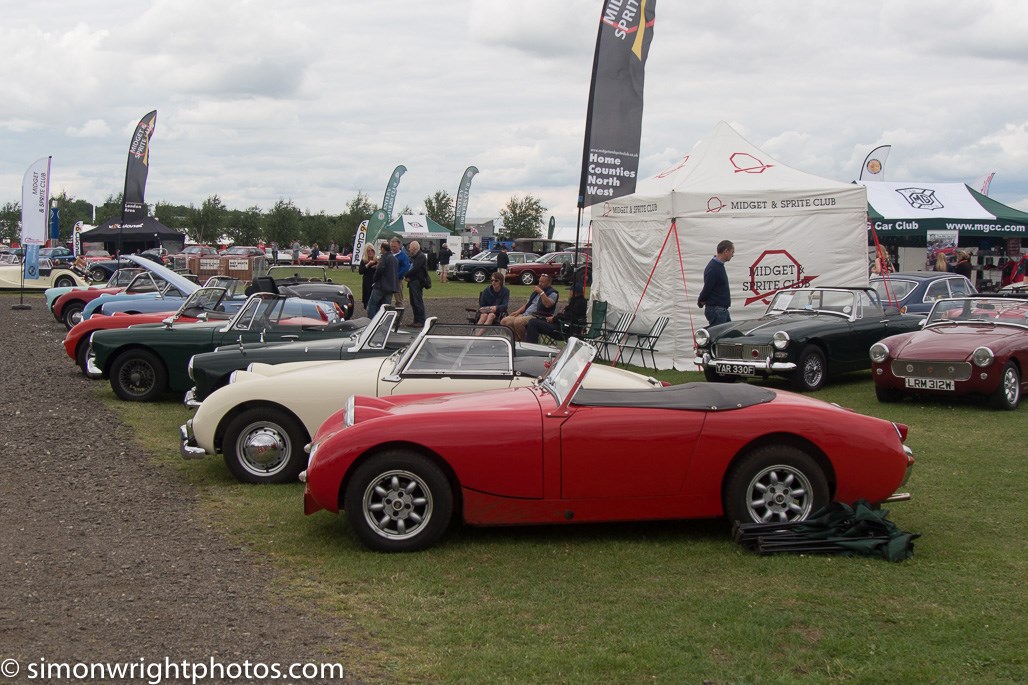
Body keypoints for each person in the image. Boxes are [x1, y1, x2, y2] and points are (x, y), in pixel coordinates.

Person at [501, 273, 558, 341]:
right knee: (504, 321)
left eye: (542, 282)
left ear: (549, 283)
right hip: (526, 314)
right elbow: (528, 304)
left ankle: (525, 342)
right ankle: (516, 340)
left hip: (539, 316)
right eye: (539, 281)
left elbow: (547, 304)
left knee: (518, 322)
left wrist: (541, 293)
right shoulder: (536, 292)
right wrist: (517, 312)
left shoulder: (553, 293)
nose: (540, 283)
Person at [697, 240, 734, 326]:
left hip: (720, 310)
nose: (732, 255)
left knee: (729, 332)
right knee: (721, 333)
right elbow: (707, 288)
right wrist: (701, 300)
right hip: (717, 310)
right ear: (726, 251)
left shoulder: (718, 266)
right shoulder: (713, 268)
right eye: (732, 252)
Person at [367, 242, 398, 319]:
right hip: (391, 287)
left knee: (372, 305)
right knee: (386, 307)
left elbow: (380, 270)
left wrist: (374, 279)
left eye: (381, 249)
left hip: (381, 286)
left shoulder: (384, 258)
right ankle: (383, 322)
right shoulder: (395, 259)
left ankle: (371, 321)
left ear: (383, 249)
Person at [405, 240, 429, 326]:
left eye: (410, 248)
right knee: (413, 302)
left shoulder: (421, 257)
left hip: (417, 281)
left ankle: (421, 321)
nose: (409, 249)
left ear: (414, 248)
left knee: (417, 301)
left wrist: (406, 274)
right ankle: (416, 320)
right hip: (413, 281)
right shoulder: (416, 257)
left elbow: (416, 269)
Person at [358, 244, 378, 312]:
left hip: (375, 282)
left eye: (372, 250)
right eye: (368, 251)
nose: (370, 252)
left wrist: (377, 265)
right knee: (367, 298)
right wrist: (368, 264)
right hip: (367, 282)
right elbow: (360, 271)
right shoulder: (364, 261)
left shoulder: (377, 260)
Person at [391, 237, 409, 307]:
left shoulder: (403, 256)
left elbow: (405, 268)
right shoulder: (389, 254)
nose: (393, 248)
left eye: (394, 246)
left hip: (397, 280)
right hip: (387, 280)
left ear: (399, 246)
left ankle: (399, 312)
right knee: (386, 298)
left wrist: (397, 276)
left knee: (398, 299)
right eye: (392, 246)